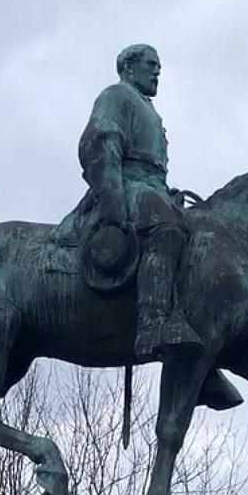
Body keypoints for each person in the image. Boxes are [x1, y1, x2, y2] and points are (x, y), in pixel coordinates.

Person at [70, 43, 201, 361]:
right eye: (151, 64)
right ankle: (152, 326)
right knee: (167, 229)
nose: (158, 71)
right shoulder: (117, 96)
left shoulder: (147, 107)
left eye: (159, 66)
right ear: (129, 68)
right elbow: (101, 142)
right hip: (128, 184)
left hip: (152, 186)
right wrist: (112, 194)